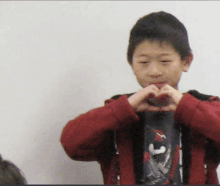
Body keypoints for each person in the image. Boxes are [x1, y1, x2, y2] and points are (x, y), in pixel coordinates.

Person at [60, 11, 220, 185]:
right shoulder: (118, 112)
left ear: (186, 61)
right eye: (144, 62)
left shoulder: (203, 107)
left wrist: (187, 109)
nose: (154, 71)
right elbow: (71, 145)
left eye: (164, 61)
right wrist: (123, 110)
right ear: (131, 64)